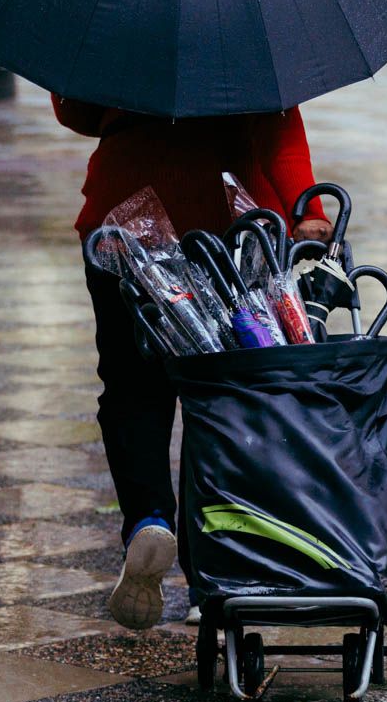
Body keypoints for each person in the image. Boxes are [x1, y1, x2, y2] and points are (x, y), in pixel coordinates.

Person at [56, 97, 332, 629]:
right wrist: (307, 209)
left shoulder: (114, 14)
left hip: (122, 221)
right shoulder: (250, 16)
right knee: (228, 397)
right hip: (232, 224)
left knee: (132, 387)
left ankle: (148, 519)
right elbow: (277, 122)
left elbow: (78, 115)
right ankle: (215, 572)